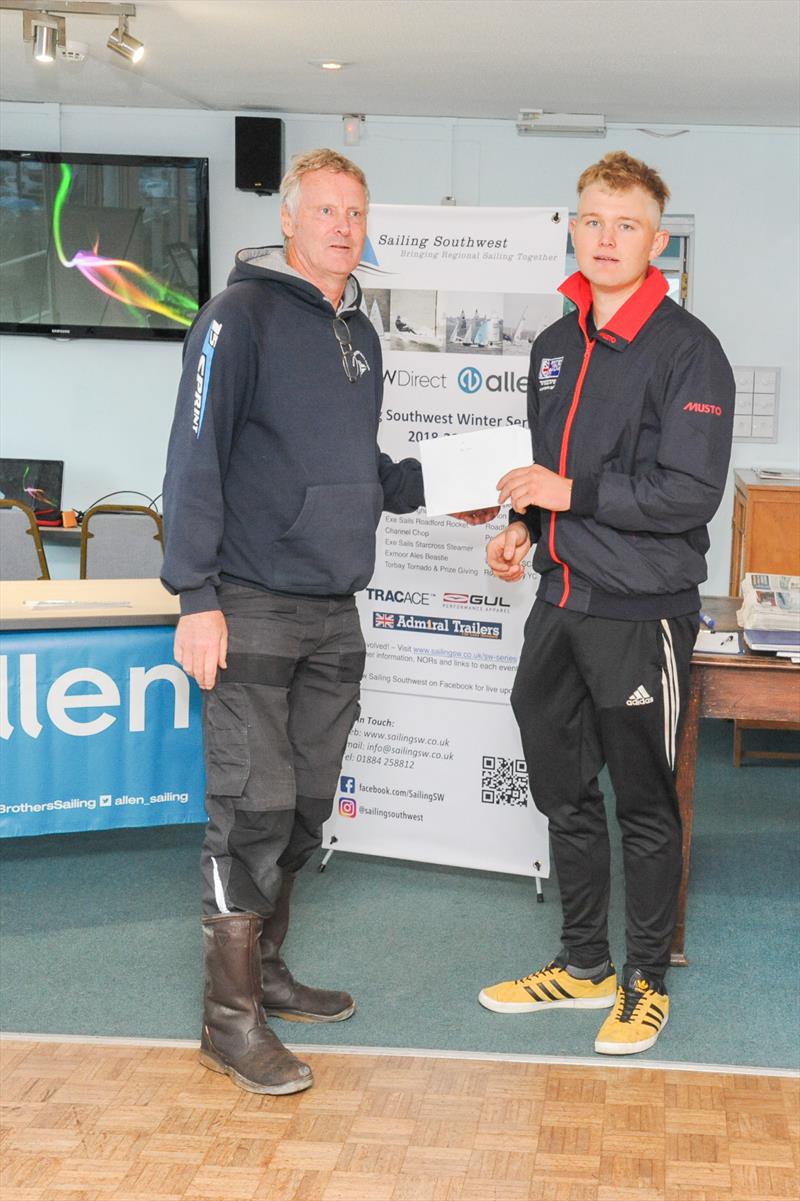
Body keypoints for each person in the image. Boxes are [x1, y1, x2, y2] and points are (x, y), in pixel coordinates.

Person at [162, 149, 492, 1096]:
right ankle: (228, 1023)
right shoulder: (239, 316)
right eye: (326, 211)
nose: (343, 226)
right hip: (252, 599)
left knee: (305, 809)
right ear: (290, 221)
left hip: (333, 607)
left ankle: (264, 973)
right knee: (250, 807)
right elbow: (194, 456)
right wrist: (196, 596)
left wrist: (446, 489)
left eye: (356, 212)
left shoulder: (362, 333)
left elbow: (365, 467)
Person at [478, 151, 734, 1055]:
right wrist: (521, 524)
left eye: (626, 224)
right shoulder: (554, 345)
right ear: (574, 228)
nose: (606, 238)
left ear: (656, 240)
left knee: (644, 801)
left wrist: (566, 493)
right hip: (561, 598)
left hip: (642, 610)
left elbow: (685, 497)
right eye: (592, 220)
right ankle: (584, 965)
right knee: (560, 786)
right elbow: (546, 472)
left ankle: (646, 980)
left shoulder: (690, 350)